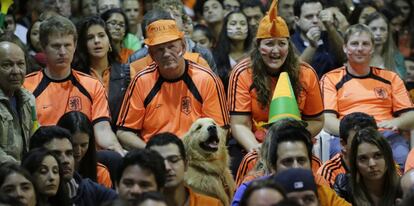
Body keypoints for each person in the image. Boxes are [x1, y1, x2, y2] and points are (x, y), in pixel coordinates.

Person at [227, 0, 323, 155]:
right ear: (258, 47)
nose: (276, 50)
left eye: (282, 44)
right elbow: (239, 125)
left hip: (296, 143)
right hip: (254, 144)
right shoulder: (242, 72)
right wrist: (256, 148)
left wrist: (290, 140)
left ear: (289, 46)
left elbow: (317, 121)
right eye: (269, 44)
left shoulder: (307, 73)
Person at [116, 18, 229, 149]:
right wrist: (152, 152)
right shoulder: (141, 81)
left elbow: (221, 129)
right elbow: (124, 131)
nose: (166, 54)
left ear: (183, 46)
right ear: (151, 54)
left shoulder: (206, 79)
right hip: (153, 153)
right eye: (159, 49)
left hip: (196, 154)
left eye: (171, 47)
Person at [22, 15, 125, 156]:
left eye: (67, 45)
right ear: (43, 48)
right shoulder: (27, 87)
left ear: (75, 46)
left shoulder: (92, 85)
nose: (63, 52)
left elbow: (102, 129)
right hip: (44, 159)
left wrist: (117, 148)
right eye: (56, 46)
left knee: (114, 157)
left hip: (82, 158)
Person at [321, 23, 414, 170]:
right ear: (345, 48)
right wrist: (354, 132)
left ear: (372, 48)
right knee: (337, 153)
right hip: (348, 136)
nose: (359, 48)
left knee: (402, 156)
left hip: (385, 134)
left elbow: (410, 116)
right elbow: (328, 121)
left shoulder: (391, 78)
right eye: (354, 44)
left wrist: (397, 122)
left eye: (365, 44)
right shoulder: (331, 79)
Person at [231, 118, 350, 206]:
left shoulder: (321, 191)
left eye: (301, 160)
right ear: (273, 166)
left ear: (310, 164)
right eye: (287, 161)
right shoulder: (254, 194)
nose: (296, 167)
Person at [29, 125, 118, 206]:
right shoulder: (22, 197)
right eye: (56, 154)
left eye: (69, 153)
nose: (65, 160)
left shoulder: (89, 190)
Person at [128, 1, 217, 73]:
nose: (171, 19)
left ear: (184, 22)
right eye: (167, 16)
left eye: (176, 15)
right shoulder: (137, 58)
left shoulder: (202, 54)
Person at [73, 16, 130, 127]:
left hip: (121, 135)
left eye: (101, 35)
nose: (97, 41)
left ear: (109, 41)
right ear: (83, 45)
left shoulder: (127, 72)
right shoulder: (75, 76)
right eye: (90, 38)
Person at [146, 132, 222, 206]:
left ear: (185, 164)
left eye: (173, 160)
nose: (167, 167)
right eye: (158, 161)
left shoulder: (212, 204)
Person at [316, 112, 377, 188]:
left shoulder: (385, 164)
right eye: (358, 141)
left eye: (370, 139)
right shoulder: (328, 173)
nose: (365, 146)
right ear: (343, 144)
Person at [0, 40, 36, 164]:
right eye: (7, 65)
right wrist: (24, 170)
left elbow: (36, 136)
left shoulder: (29, 99)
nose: (16, 71)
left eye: (20, 64)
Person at [57, 111, 113, 188]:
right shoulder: (52, 172)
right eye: (73, 145)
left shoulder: (100, 173)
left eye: (83, 145)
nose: (78, 151)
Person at [292, 0, 345, 78]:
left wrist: (330, 27)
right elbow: (296, 71)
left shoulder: (332, 35)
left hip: (335, 86)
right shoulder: (290, 42)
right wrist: (312, 46)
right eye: (309, 17)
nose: (315, 21)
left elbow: (346, 57)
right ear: (297, 20)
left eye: (318, 16)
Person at [347, 127, 400, 205]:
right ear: (355, 163)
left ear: (388, 156)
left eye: (377, 155)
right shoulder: (344, 187)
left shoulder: (403, 189)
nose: (372, 164)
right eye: (363, 158)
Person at [213, 11, 252, 90]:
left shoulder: (254, 55)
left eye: (243, 24)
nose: (238, 27)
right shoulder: (216, 56)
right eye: (233, 23)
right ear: (225, 28)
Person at [365, 12, 406, 79]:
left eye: (382, 29)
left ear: (387, 33)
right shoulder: (358, 56)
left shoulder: (397, 58)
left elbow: (402, 83)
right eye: (374, 29)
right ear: (365, 31)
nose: (378, 33)